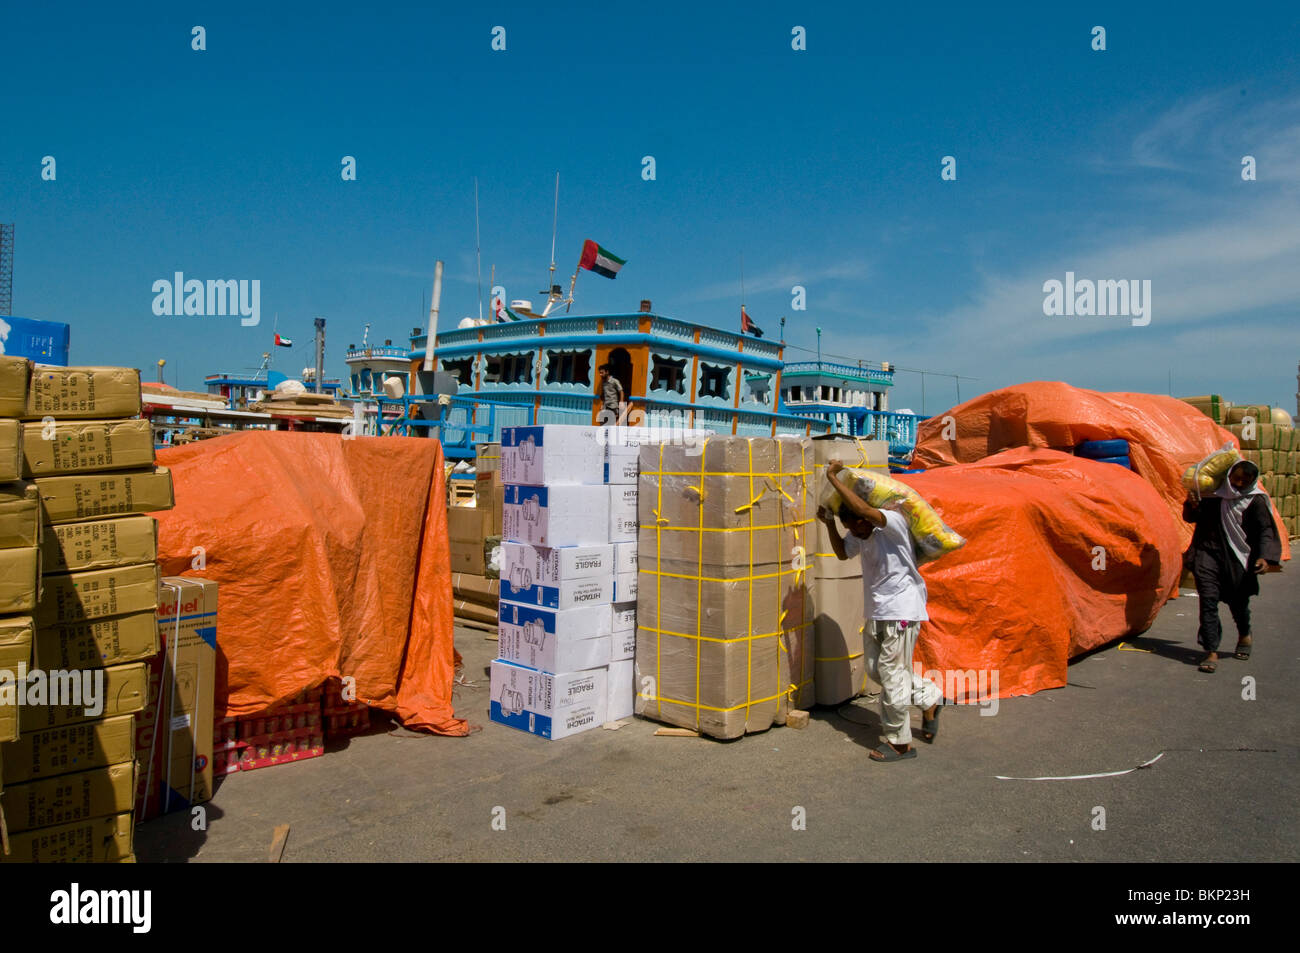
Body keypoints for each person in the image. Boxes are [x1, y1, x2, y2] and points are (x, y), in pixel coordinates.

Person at [819, 460, 942, 762]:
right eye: (849, 527)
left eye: (855, 526)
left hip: (902, 609)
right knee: (877, 670)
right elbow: (841, 552)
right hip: (877, 611)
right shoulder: (859, 534)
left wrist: (833, 479)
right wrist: (829, 523)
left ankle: (900, 742)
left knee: (892, 675)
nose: (853, 532)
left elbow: (862, 511)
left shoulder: (892, 523)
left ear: (866, 519)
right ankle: (929, 698)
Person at [1183, 459, 1282, 673]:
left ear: (1252, 482)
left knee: (1238, 602)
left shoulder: (1254, 501)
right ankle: (1210, 650)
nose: (1237, 484)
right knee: (1208, 601)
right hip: (1207, 553)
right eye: (1235, 478)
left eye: (1243, 481)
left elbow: (1265, 530)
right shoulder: (1213, 494)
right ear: (1228, 475)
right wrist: (1191, 505)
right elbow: (1192, 518)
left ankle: (1244, 634)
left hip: (1238, 558)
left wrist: (1265, 557)